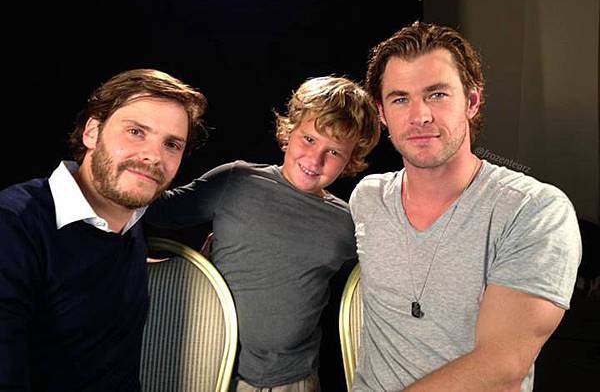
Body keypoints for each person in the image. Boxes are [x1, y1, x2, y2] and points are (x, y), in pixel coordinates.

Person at [349, 22, 582, 391]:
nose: (420, 116)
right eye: (400, 99)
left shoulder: (533, 211)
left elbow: (502, 367)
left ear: (472, 101)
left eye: (437, 94)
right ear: (381, 112)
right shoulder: (368, 198)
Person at [145, 76, 380, 391]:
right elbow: (152, 210)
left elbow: (376, 287)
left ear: (351, 159)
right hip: (209, 371)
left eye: (334, 152)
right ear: (289, 131)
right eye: (309, 139)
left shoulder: (346, 222)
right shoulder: (237, 181)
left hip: (293, 380)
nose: (315, 159)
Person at [0, 69, 207, 391]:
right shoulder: (14, 224)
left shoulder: (130, 222)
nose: (154, 156)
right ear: (92, 132)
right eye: (136, 132)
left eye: (171, 144)